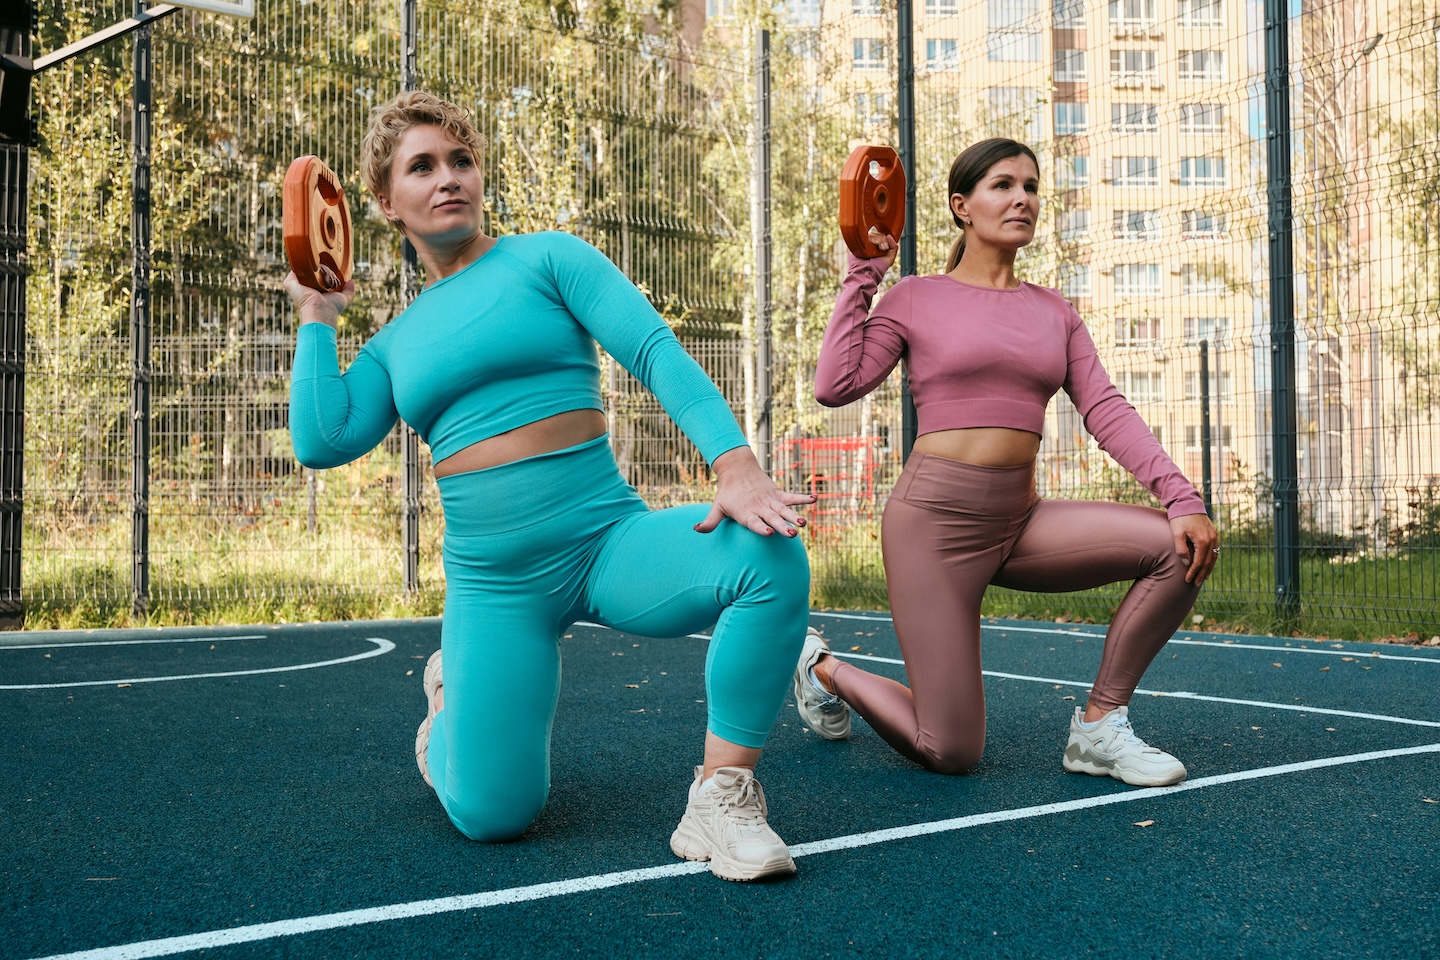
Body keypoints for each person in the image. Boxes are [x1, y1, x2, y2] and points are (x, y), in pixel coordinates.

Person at [284, 91, 814, 881]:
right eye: (421, 168)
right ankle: (449, 711)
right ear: (386, 205)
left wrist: (733, 463)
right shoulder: (395, 344)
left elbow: (653, 350)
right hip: (496, 586)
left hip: (607, 543)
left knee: (767, 558)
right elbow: (322, 440)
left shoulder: (548, 259)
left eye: (460, 160)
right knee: (495, 818)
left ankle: (720, 797)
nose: (447, 178)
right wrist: (318, 315)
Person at [792, 137, 1219, 787]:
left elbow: (1105, 409)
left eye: (1031, 186)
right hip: (932, 531)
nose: (1023, 197)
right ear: (961, 206)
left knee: (1177, 545)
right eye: (1003, 185)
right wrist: (863, 274)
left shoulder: (1054, 311)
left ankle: (1100, 728)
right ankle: (821, 668)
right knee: (951, 750)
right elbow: (835, 384)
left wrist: (1182, 497)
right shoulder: (915, 297)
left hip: (1019, 521)